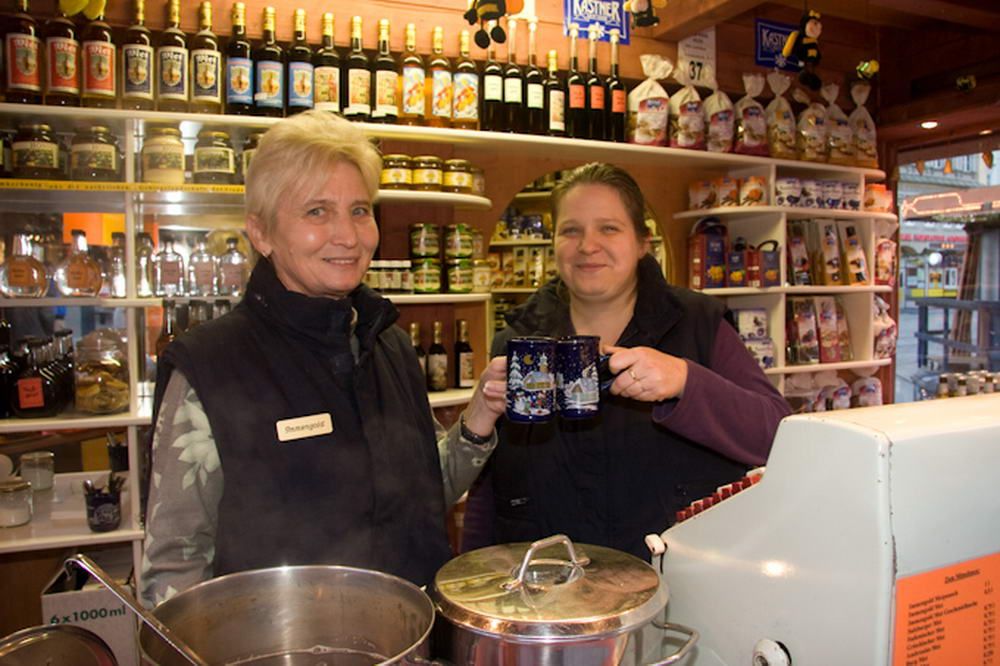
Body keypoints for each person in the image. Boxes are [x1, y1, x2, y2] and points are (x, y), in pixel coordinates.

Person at [141, 110, 507, 608]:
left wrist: (478, 419)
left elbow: (421, 495)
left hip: (409, 639)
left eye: (360, 210)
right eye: (317, 212)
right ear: (262, 233)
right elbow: (173, 566)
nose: (348, 236)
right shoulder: (210, 367)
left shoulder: (389, 344)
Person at [463, 163, 791, 560]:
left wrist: (687, 381)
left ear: (642, 243)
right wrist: (473, 578)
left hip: (676, 586)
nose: (587, 245)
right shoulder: (517, 342)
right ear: (553, 244)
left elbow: (775, 434)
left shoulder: (698, 324)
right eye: (571, 230)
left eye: (609, 228)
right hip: (550, 590)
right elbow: (489, 490)